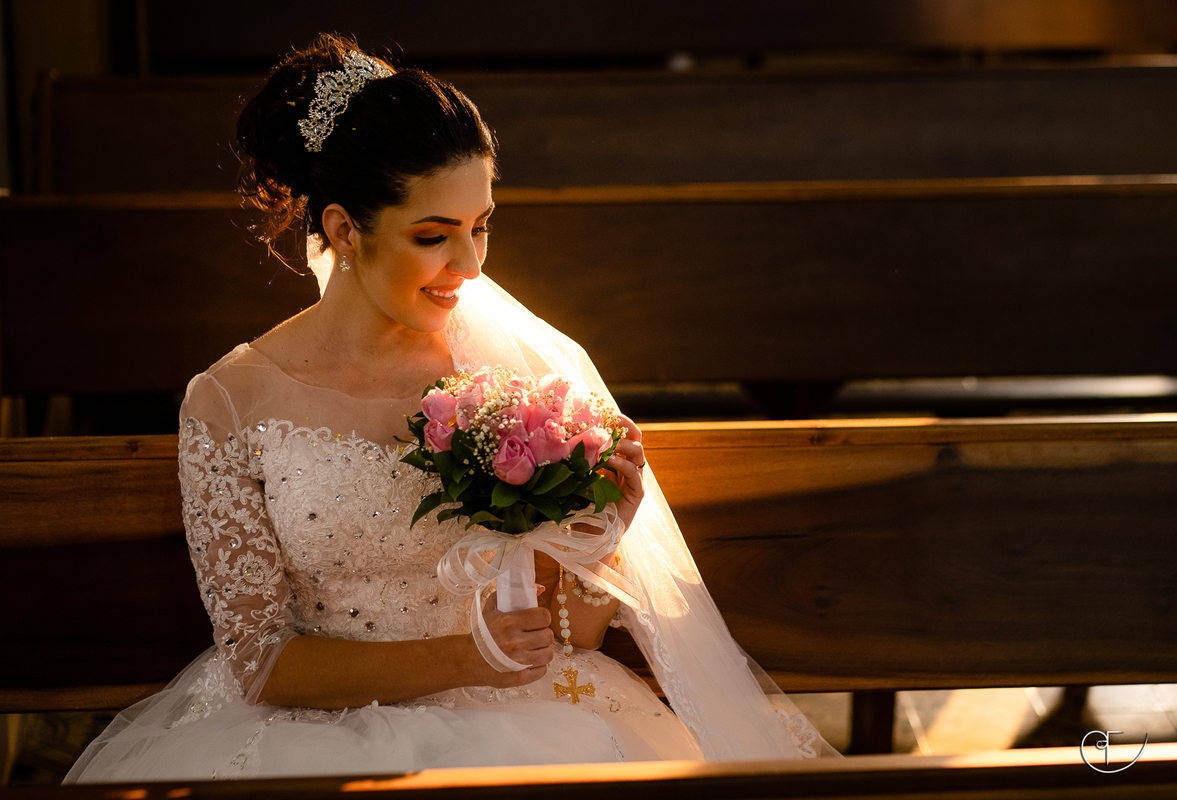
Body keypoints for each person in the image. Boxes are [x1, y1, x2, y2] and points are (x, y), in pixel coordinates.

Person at [66, 35, 835, 782]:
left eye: (481, 228)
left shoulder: (509, 376)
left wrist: (597, 540)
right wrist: (469, 660)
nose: (467, 267)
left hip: (526, 722)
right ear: (343, 229)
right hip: (302, 735)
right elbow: (263, 663)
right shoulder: (229, 400)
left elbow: (571, 637)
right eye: (435, 236)